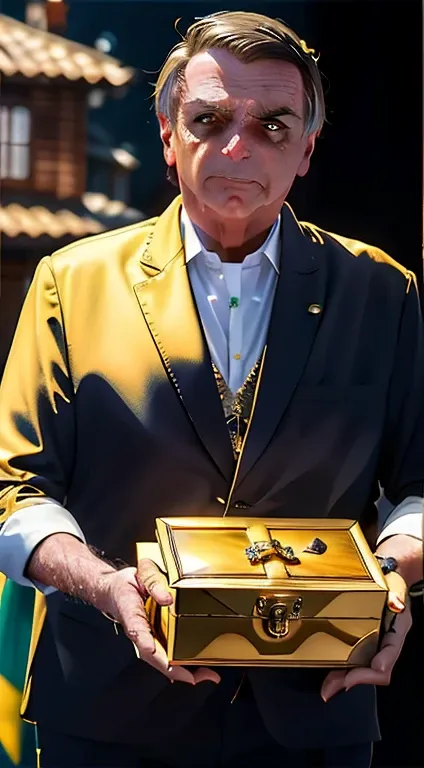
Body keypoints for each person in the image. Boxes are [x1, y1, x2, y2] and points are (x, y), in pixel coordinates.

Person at [0, 11, 422, 768]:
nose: (237, 146)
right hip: (106, 711)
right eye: (210, 118)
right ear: (168, 135)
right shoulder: (70, 282)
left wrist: (387, 578)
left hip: (318, 708)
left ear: (308, 150)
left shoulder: (383, 291)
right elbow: (13, 490)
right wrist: (106, 585)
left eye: (271, 125)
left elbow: (423, 488)